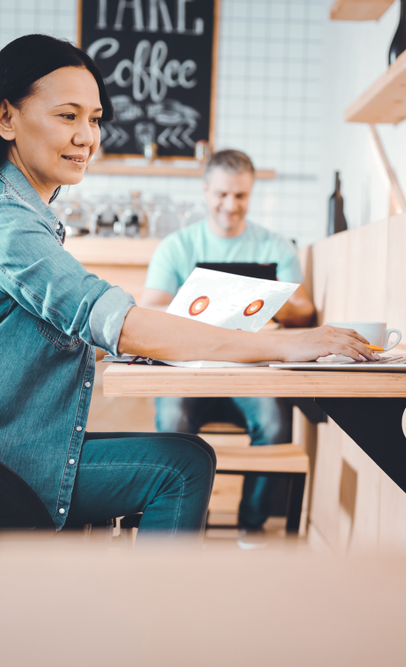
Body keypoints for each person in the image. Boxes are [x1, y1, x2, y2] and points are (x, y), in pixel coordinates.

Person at [0, 35, 378, 543]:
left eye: (95, 118)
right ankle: (151, 620)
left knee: (182, 455)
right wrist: (291, 344)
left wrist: (118, 351)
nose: (87, 136)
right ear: (6, 118)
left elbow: (33, 335)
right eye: (67, 116)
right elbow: (116, 320)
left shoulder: (6, 210)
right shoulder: (3, 221)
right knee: (181, 467)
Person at [139, 150, 317, 539]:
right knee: (170, 423)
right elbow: (149, 307)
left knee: (274, 423)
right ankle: (182, 532)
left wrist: (261, 297)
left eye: (240, 196)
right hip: (187, 375)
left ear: (251, 194)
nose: (230, 206)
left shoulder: (274, 246)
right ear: (205, 190)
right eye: (221, 194)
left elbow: (304, 312)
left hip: (249, 374)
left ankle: (251, 529)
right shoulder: (176, 246)